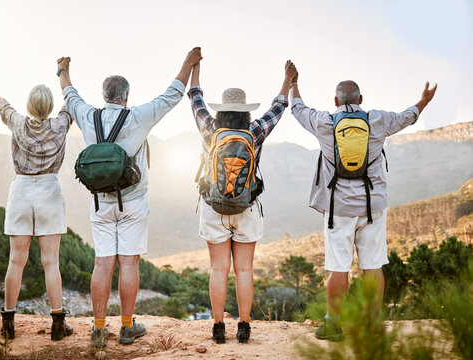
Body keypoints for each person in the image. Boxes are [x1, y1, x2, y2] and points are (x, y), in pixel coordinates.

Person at [57, 47, 202, 347]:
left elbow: (69, 95)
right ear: (126, 97)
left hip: (100, 203)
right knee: (129, 264)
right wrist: (188, 62)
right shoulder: (137, 116)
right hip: (133, 201)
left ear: (104, 95)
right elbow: (172, 95)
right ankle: (126, 327)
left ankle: (98, 330)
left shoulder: (88, 116)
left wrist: (63, 70)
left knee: (102, 264)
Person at [288, 62, 437, 341]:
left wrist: (293, 82)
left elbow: (297, 108)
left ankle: (333, 325)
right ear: (361, 100)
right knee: (373, 266)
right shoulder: (377, 119)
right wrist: (424, 101)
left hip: (338, 209)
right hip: (373, 207)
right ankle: (371, 324)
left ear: (335, 101)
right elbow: (408, 116)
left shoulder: (323, 121)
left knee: (338, 268)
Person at [0, 48, 74, 341]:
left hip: (21, 190)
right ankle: (58, 325)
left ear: (29, 105)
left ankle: (8, 324)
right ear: (48, 107)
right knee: (51, 262)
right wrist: (63, 71)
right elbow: (71, 98)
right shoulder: (61, 124)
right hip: (49, 190)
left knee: (15, 261)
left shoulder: (17, 122)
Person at [188, 59, 294, 343]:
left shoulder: (210, 129)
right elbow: (278, 107)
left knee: (218, 269)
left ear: (221, 110)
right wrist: (288, 80)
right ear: (245, 112)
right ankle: (245, 326)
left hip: (214, 207)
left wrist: (195, 67)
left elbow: (195, 98)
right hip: (247, 207)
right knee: (244, 269)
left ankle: (219, 326)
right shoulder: (255, 132)